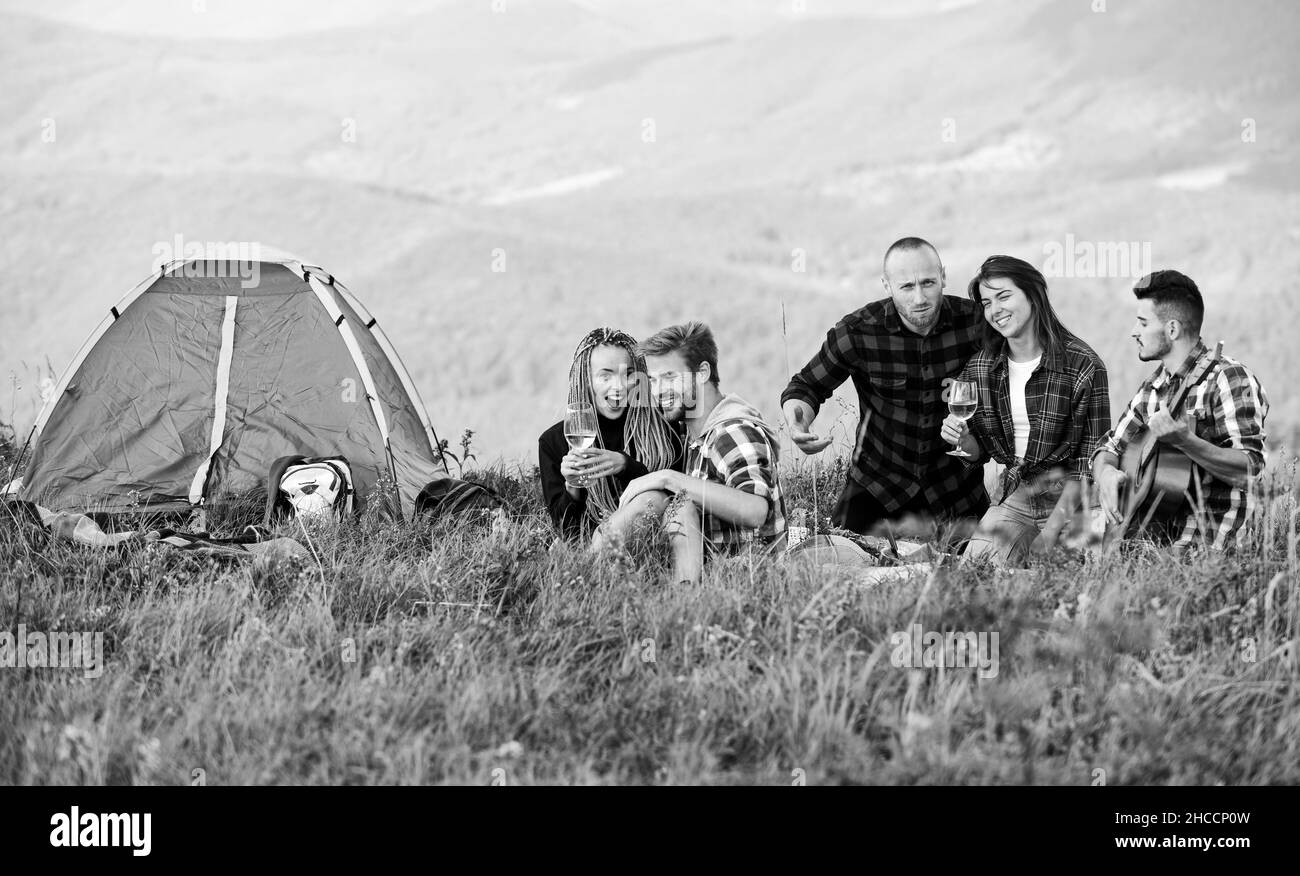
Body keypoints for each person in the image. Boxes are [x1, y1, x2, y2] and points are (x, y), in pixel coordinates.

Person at [781, 237, 988, 539]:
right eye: (906, 286)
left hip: (955, 487)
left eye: (928, 282)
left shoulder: (977, 324)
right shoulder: (858, 332)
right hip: (878, 485)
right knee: (843, 560)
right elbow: (806, 386)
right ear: (886, 285)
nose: (920, 298)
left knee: (978, 570)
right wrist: (797, 421)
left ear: (943, 276)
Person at [940, 256, 1110, 565]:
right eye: (987, 302)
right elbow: (979, 451)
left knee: (1073, 586)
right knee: (972, 574)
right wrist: (963, 440)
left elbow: (1088, 460)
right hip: (1018, 494)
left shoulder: (1083, 365)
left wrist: (1051, 533)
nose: (995, 310)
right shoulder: (981, 367)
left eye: (1004, 296)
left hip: (1077, 500)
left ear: (1033, 294)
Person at [1091, 270, 1269, 551]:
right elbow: (1109, 447)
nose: (1134, 332)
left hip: (1208, 543)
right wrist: (1106, 475)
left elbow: (1249, 468)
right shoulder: (1153, 387)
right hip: (1149, 535)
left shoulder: (1228, 378)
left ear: (1172, 329)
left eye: (1143, 322)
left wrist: (1186, 442)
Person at [617, 322, 786, 584]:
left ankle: (588, 566)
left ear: (702, 372)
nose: (658, 390)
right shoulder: (695, 434)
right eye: (652, 380)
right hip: (714, 582)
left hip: (750, 584)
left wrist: (668, 478)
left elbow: (755, 510)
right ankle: (591, 565)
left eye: (670, 377)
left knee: (665, 497)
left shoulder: (732, 432)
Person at [537, 327, 681, 542]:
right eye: (605, 376)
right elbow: (566, 531)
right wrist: (572, 488)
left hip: (658, 546)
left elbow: (676, 498)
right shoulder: (554, 442)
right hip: (593, 552)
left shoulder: (664, 428)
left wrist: (626, 466)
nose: (619, 387)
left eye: (629, 374)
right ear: (586, 380)